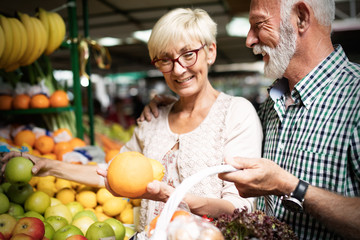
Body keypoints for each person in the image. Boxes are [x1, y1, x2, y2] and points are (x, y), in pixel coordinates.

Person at [1, 8, 263, 232]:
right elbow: (110, 173)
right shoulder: (153, 119)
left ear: (210, 52)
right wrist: (46, 165)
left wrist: (171, 196)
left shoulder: (236, 113)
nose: (178, 69)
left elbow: (238, 207)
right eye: (165, 60)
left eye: (188, 54)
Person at [139, 0, 360, 239]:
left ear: (301, 18)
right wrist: (166, 106)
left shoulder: (355, 96)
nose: (249, 40)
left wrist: (290, 187)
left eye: (259, 24)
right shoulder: (271, 106)